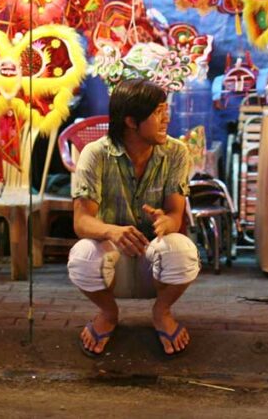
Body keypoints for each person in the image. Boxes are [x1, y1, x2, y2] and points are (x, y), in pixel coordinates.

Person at [67, 79, 200, 357]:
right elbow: (81, 222)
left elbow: (176, 215)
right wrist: (112, 232)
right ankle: (108, 313)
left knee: (184, 251)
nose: (166, 118)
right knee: (82, 257)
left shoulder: (176, 152)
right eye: (157, 112)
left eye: (166, 109)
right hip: (113, 262)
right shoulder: (95, 154)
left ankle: (161, 312)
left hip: (155, 261)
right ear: (131, 121)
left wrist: (167, 221)